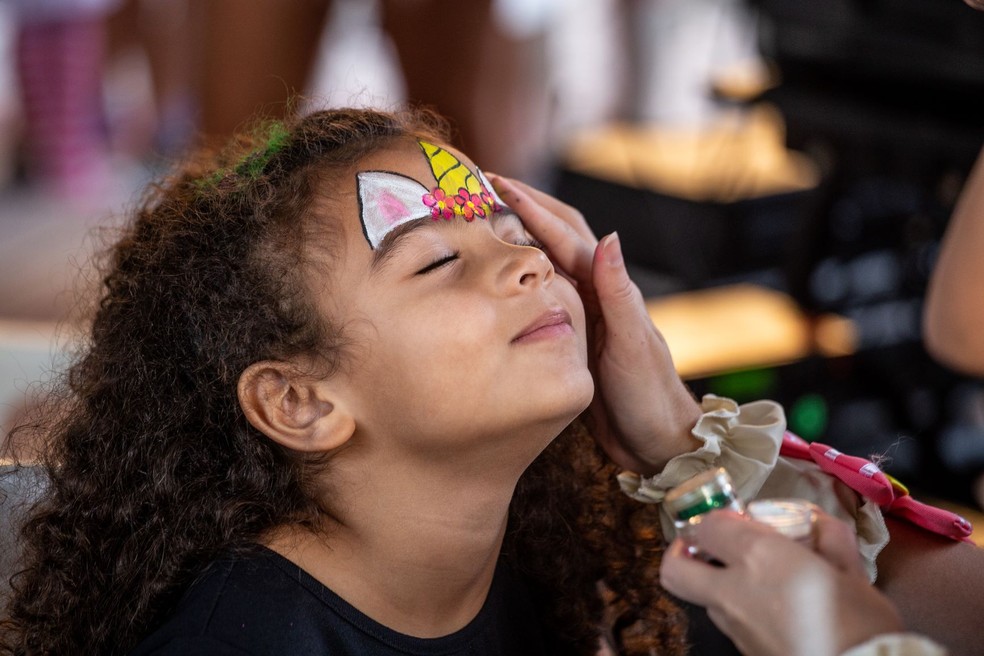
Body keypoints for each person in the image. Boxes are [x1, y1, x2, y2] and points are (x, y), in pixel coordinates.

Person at [1, 107, 982, 656]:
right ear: (300, 399)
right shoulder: (248, 637)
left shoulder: (543, 561)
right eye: (437, 263)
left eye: (512, 234)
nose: (526, 264)